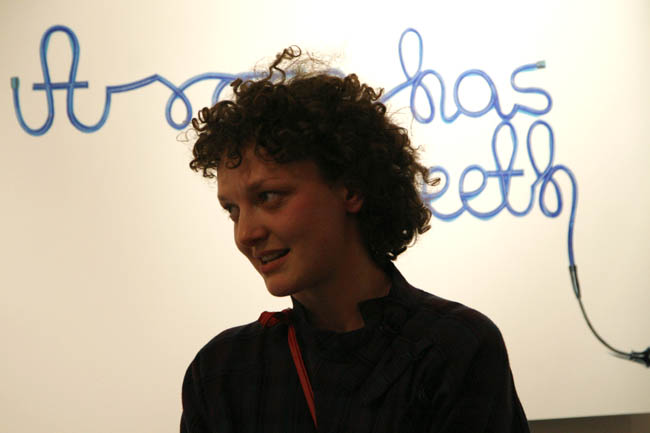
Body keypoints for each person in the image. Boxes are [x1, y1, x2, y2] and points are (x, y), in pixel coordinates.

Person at [180, 46, 530, 433]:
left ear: (350, 189)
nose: (246, 233)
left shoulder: (454, 349)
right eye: (232, 210)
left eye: (268, 197)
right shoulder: (221, 373)